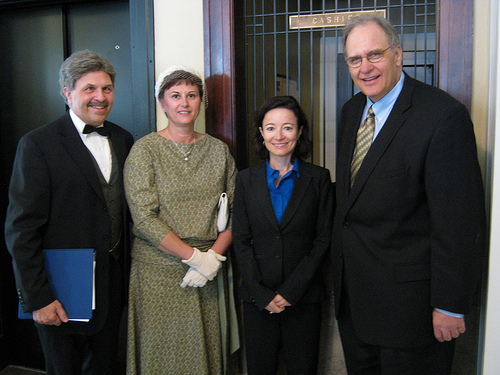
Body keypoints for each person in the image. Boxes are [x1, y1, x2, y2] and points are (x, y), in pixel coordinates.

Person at [332, 13, 486, 374]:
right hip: (355, 302)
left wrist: (450, 305)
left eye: (375, 55)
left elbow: (460, 221)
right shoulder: (351, 111)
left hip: (412, 311)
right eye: (355, 59)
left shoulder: (443, 116)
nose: (364, 67)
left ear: (398, 54)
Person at [4, 50, 134, 374]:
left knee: (104, 367)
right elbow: (21, 229)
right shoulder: (37, 144)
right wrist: (37, 298)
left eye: (106, 89)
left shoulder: (123, 139)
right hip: (60, 290)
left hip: (112, 287)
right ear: (67, 93)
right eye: (89, 88)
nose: (100, 97)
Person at [124, 66, 238, 374]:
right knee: (161, 357)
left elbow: (237, 212)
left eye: (192, 95)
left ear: (201, 102)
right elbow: (144, 218)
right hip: (157, 274)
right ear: (162, 103)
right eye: (175, 96)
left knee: (206, 353)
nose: (184, 103)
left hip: (207, 274)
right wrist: (194, 258)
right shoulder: (144, 150)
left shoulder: (219, 150)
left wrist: (212, 258)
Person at [232, 95, 334, 375]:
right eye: (271, 127)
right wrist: (260, 292)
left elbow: (323, 239)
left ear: (300, 132)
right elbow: (240, 240)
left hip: (303, 297)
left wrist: (291, 292)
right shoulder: (245, 180)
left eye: (288, 127)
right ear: (261, 133)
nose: (279, 135)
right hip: (258, 299)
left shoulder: (319, 179)